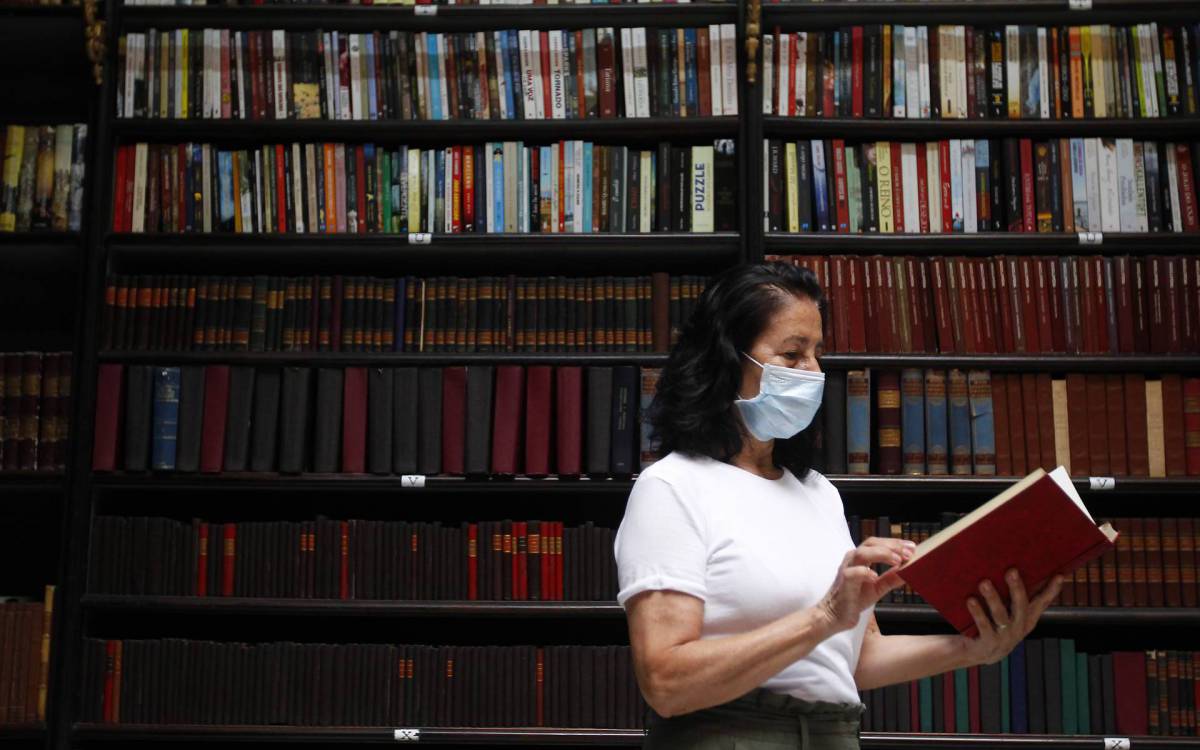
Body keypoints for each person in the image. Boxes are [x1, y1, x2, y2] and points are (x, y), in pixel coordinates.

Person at [613, 261, 1063, 749]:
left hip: (835, 734)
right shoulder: (673, 487)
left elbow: (855, 658)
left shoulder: (818, 494)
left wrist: (973, 648)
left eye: (817, 354)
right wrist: (825, 614)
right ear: (726, 363)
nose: (813, 372)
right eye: (792, 353)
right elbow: (666, 682)